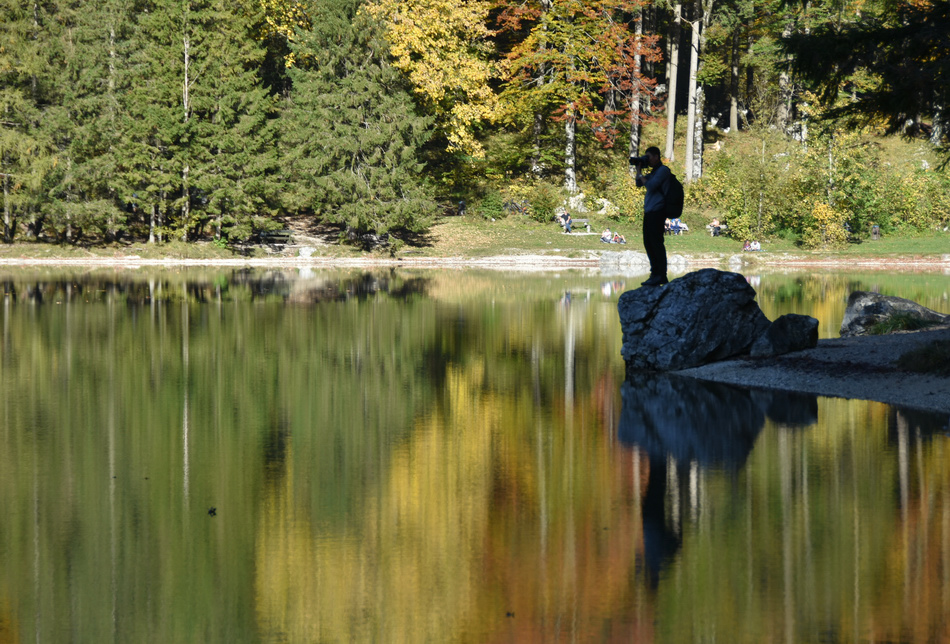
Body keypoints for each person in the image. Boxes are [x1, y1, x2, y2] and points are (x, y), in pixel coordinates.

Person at [635, 146, 671, 286]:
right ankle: (655, 273)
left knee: (656, 243)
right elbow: (639, 183)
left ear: (656, 157)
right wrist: (639, 170)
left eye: (648, 157)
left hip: (658, 211)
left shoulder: (663, 171)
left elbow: (651, 186)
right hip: (649, 212)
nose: (647, 160)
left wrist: (643, 176)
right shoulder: (653, 172)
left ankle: (660, 274)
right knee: (648, 243)